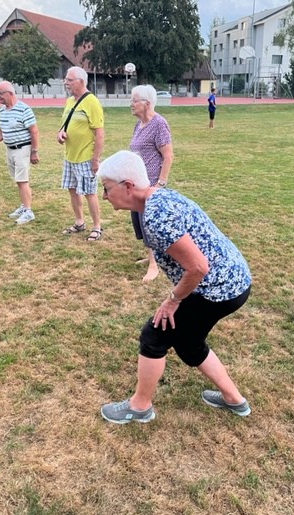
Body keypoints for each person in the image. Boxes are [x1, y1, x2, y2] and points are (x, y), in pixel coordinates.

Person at [98, 150, 252, 424]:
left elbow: (198, 268)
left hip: (218, 288)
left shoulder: (156, 217)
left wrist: (173, 300)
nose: (104, 196)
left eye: (107, 189)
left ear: (128, 186)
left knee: (154, 336)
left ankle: (139, 407)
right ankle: (234, 400)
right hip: (235, 281)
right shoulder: (158, 197)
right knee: (188, 342)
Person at [129, 84, 174, 282]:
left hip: (151, 185)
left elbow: (168, 156)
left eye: (134, 100)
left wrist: (160, 184)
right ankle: (151, 257)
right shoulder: (138, 125)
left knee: (149, 224)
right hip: (137, 183)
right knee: (139, 222)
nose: (131, 104)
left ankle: (155, 265)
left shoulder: (159, 124)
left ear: (147, 104)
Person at [57, 66, 104, 241]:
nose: (66, 83)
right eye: (66, 79)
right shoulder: (70, 101)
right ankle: (79, 222)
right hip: (70, 156)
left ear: (81, 82)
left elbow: (99, 133)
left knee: (89, 192)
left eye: (70, 80)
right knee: (72, 190)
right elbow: (65, 124)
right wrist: (60, 133)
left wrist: (95, 159)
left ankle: (97, 226)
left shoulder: (92, 102)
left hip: (85, 157)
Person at [0, 81, 40, 224]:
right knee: (18, 180)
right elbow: (2, 132)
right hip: (10, 149)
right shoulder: (2, 111)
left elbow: (34, 132)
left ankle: (28, 211)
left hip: (22, 149)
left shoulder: (24, 109)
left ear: (10, 93)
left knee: (22, 180)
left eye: (0, 94)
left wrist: (34, 152)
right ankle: (24, 206)